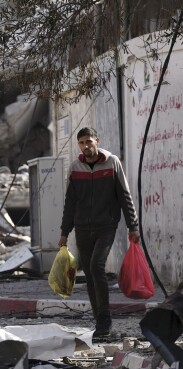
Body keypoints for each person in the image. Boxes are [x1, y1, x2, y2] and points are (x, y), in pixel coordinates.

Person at [59, 127, 140, 337]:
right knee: (89, 273)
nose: (86, 146)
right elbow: (70, 203)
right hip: (82, 228)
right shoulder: (75, 167)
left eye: (89, 141)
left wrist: (133, 225)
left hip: (106, 226)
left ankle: (105, 318)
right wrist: (64, 232)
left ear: (97, 140)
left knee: (97, 265)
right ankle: (99, 323)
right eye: (82, 143)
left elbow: (124, 195)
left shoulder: (112, 163)